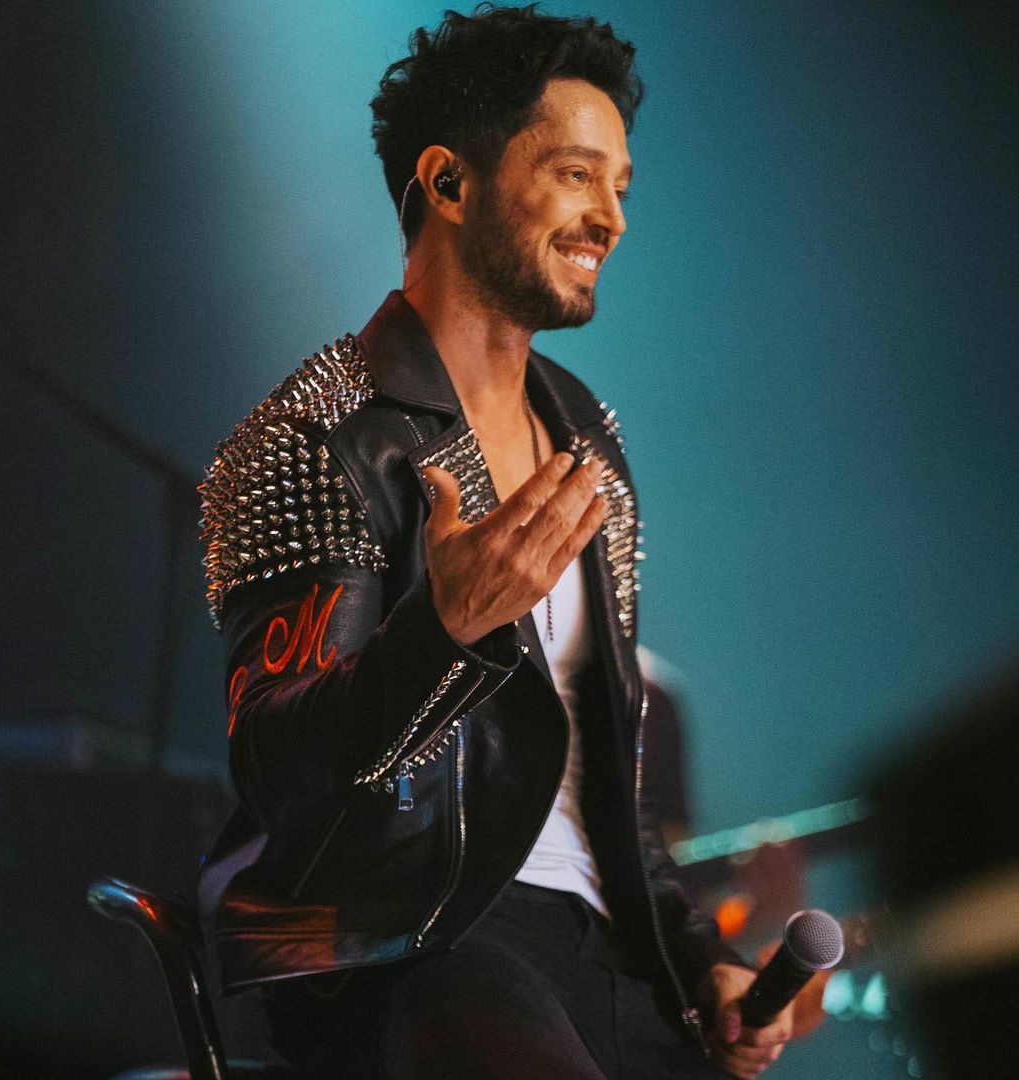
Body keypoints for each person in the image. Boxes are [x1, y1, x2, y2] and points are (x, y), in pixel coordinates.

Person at [197, 6, 796, 1077]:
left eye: (621, 187)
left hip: (604, 951)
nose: (611, 217)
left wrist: (702, 958)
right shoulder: (316, 433)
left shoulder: (587, 436)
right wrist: (443, 631)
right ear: (449, 182)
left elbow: (612, 779)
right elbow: (281, 772)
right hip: (405, 938)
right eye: (575, 174)